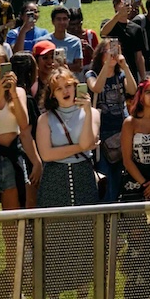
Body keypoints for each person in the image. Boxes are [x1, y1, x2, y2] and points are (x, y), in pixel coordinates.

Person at [36, 66, 100, 207]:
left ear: (75, 86)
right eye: (59, 89)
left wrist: (87, 112)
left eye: (68, 86)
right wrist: (80, 147)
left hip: (83, 177)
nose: (65, 91)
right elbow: (46, 155)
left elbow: (86, 142)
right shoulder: (44, 119)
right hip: (54, 180)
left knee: (87, 225)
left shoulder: (93, 113)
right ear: (52, 94)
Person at [87, 36, 138, 201]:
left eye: (116, 50)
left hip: (121, 132)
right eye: (109, 50)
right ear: (101, 54)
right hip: (101, 136)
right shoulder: (91, 73)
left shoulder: (121, 74)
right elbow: (96, 87)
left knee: (119, 178)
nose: (113, 54)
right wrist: (106, 66)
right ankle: (105, 218)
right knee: (105, 178)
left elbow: (133, 89)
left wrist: (125, 66)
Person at [0, 43, 34, 209]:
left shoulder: (18, 92)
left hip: (12, 159)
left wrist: (11, 94)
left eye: (1, 66)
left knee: (13, 221)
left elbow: (24, 125)